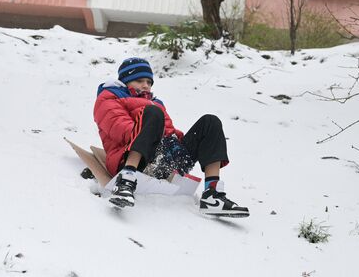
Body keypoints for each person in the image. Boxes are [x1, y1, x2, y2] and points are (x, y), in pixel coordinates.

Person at [93, 57, 249, 217]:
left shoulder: (155, 103)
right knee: (153, 114)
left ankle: (212, 194)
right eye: (139, 80)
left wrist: (176, 142)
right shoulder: (109, 98)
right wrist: (156, 136)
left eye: (149, 81)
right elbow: (120, 129)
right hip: (130, 159)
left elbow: (169, 131)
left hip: (164, 159)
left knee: (210, 122)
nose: (146, 85)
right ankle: (126, 181)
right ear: (125, 81)